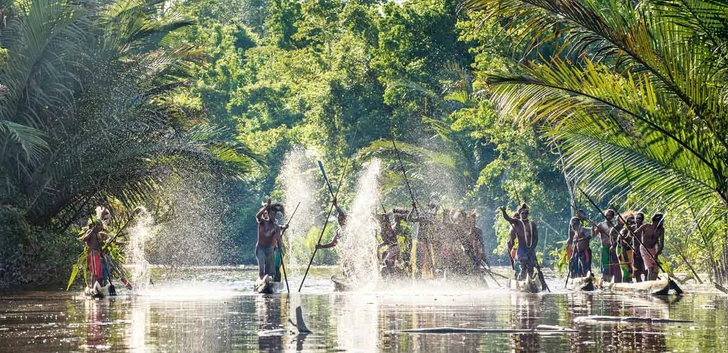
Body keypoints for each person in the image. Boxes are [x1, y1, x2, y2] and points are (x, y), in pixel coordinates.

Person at [500, 204, 539, 280]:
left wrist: (531, 249)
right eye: (522, 213)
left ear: (528, 214)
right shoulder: (517, 222)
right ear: (520, 214)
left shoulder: (532, 224)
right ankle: (521, 279)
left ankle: (530, 280)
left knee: (531, 266)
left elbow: (536, 238)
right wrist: (504, 211)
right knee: (523, 265)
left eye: (526, 213)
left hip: (530, 249)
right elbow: (507, 218)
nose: (524, 215)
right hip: (521, 249)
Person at [255, 199, 287, 281]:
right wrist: (267, 206)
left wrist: (279, 246)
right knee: (261, 268)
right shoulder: (262, 222)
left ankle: (270, 281)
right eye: (272, 214)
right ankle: (261, 280)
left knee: (271, 271)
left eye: (275, 215)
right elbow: (258, 216)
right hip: (260, 248)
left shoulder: (276, 227)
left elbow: (278, 238)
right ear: (268, 215)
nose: (273, 216)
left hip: (270, 249)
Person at [408, 201, 438, 279]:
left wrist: (427, 219)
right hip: (420, 240)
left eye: (433, 207)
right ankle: (418, 273)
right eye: (431, 207)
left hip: (427, 240)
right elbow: (409, 219)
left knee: (430, 258)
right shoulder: (421, 216)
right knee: (419, 257)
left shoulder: (430, 217)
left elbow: (432, 221)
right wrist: (413, 208)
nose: (431, 209)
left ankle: (432, 273)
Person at [81, 207, 108, 287]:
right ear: (95, 226)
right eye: (99, 226)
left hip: (98, 254)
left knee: (99, 272)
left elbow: (100, 246)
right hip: (92, 254)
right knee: (95, 272)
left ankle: (99, 286)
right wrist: (92, 230)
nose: (100, 227)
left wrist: (102, 254)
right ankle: (94, 287)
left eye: (101, 226)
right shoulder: (91, 232)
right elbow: (84, 239)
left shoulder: (99, 235)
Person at [593, 209, 622, 282]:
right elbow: (593, 235)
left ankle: (612, 280)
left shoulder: (614, 226)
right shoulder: (601, 224)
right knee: (605, 265)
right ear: (604, 216)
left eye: (610, 216)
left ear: (612, 217)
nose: (608, 217)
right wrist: (593, 227)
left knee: (613, 265)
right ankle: (605, 279)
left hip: (613, 248)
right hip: (605, 248)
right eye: (607, 215)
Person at [635, 213, 665, 281]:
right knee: (650, 268)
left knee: (656, 269)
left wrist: (656, 254)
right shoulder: (646, 226)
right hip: (644, 249)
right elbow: (634, 233)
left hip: (653, 250)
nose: (662, 223)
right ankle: (650, 285)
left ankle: (653, 283)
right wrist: (633, 232)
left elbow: (661, 244)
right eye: (662, 221)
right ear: (656, 221)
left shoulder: (661, 230)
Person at [631, 212, 647, 282]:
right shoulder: (632, 227)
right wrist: (629, 231)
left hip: (644, 251)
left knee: (645, 269)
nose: (638, 220)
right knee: (637, 271)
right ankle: (639, 282)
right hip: (636, 251)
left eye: (640, 218)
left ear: (642, 219)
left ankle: (647, 282)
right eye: (637, 218)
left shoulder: (645, 227)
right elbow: (629, 236)